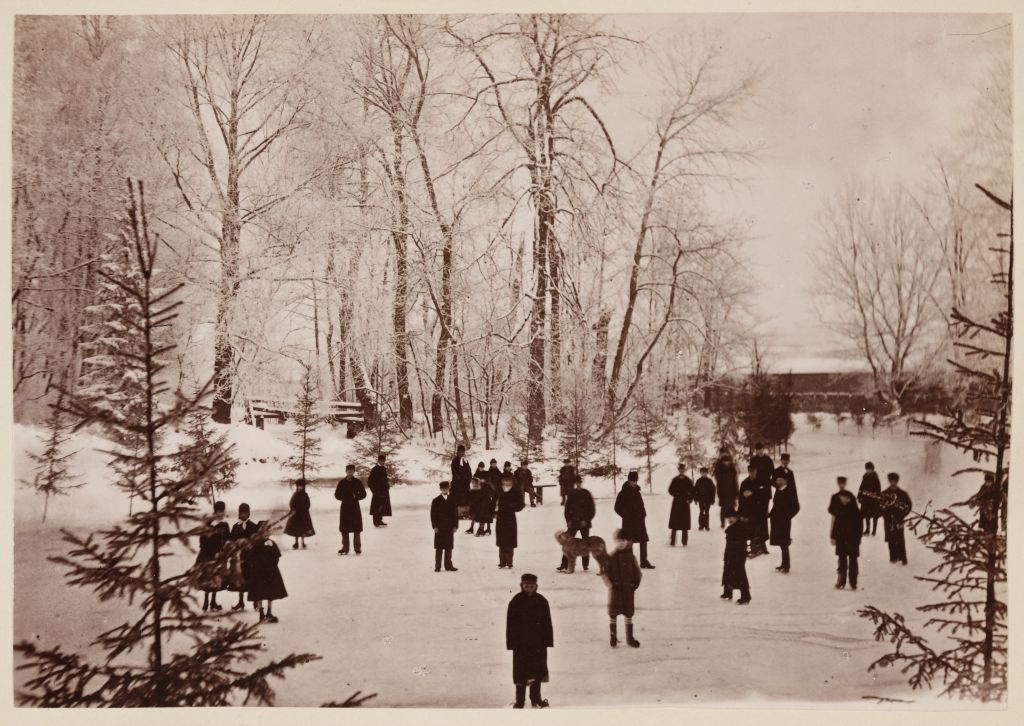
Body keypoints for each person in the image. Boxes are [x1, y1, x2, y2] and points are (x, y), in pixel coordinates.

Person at [506, 573, 553, 708]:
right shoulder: (516, 601)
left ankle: (536, 698)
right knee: (521, 672)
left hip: (538, 644)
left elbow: (547, 622)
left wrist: (548, 640)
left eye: (531, 586)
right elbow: (510, 624)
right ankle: (520, 700)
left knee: (536, 671)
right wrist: (511, 643)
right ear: (522, 586)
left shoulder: (542, 601)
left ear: (536, 586)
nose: (529, 588)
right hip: (521, 644)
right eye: (526, 586)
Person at [604, 530, 642, 648]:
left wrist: (635, 584)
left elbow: (637, 572)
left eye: (623, 541)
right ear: (615, 541)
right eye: (618, 541)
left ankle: (629, 638)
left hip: (627, 591)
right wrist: (611, 584)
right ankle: (613, 636)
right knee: (613, 614)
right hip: (615, 591)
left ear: (627, 542)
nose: (621, 543)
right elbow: (605, 572)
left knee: (628, 614)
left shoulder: (631, 557)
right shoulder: (611, 557)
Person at [246, 521, 287, 623]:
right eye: (264, 530)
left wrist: (272, 565)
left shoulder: (272, 543)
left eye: (268, 530)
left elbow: (276, 556)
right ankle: (261, 612)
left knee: (271, 593)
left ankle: (269, 612)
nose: (267, 532)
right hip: (259, 572)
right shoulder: (255, 544)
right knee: (259, 593)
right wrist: (257, 566)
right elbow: (251, 557)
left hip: (271, 571)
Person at [194, 500, 229, 612]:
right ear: (215, 512)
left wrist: (224, 549)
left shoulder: (225, 524)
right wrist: (213, 552)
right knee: (208, 578)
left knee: (217, 579)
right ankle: (205, 602)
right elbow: (203, 541)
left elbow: (227, 539)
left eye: (222, 511)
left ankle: (213, 602)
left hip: (220, 555)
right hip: (208, 555)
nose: (220, 513)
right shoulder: (209, 524)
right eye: (218, 511)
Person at [615, 471, 654, 569]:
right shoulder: (622, 493)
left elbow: (641, 506)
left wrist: (643, 514)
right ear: (628, 481)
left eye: (636, 481)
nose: (634, 483)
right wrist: (626, 515)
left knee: (643, 540)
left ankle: (644, 561)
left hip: (639, 521)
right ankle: (630, 562)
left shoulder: (637, 492)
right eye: (632, 481)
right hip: (629, 522)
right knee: (629, 542)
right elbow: (617, 507)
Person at [828, 477, 862, 590]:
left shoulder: (855, 512)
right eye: (841, 498)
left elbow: (859, 527)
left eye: (843, 498)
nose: (841, 499)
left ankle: (853, 582)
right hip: (841, 539)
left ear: (848, 498)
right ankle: (841, 581)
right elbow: (836, 524)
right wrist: (833, 537)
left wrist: (858, 539)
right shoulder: (839, 510)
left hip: (852, 540)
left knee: (853, 561)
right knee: (842, 560)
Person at [559, 474, 596, 572]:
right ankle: (564, 565)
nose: (578, 484)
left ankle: (585, 565)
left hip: (584, 523)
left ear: (581, 483)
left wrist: (586, 520)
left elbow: (592, 510)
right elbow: (567, 509)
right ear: (575, 483)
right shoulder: (571, 493)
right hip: (573, 522)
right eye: (576, 483)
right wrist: (568, 521)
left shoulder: (586, 493)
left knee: (585, 543)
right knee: (567, 544)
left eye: (579, 482)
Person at [228, 502, 259, 611]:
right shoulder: (235, 527)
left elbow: (256, 541)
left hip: (250, 557)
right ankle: (241, 602)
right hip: (238, 557)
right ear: (239, 514)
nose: (243, 515)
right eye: (242, 513)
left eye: (245, 513)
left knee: (251, 578)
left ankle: (255, 601)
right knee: (239, 579)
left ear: (249, 514)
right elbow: (231, 540)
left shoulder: (253, 526)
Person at [769, 475, 799, 573]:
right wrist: (770, 514)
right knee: (781, 544)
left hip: (784, 522)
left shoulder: (790, 491)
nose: (779, 481)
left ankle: (787, 566)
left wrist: (787, 516)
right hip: (777, 520)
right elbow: (775, 505)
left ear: (786, 481)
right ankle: (783, 564)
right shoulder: (778, 490)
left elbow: (796, 507)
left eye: (781, 480)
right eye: (778, 480)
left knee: (784, 543)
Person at [334, 464, 366, 555]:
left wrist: (356, 496)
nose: (350, 472)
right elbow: (336, 494)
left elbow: (364, 494)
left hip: (355, 507)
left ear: (354, 471)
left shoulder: (357, 482)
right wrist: (343, 496)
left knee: (356, 529)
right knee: (344, 529)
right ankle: (345, 548)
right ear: (346, 471)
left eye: (352, 470)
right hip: (345, 508)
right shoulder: (342, 482)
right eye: (348, 470)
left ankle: (357, 548)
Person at [880, 472, 912, 565]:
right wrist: (884, 514)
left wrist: (903, 515)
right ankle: (893, 557)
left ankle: (903, 558)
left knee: (900, 538)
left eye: (894, 481)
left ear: (897, 481)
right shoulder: (884, 493)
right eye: (891, 481)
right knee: (891, 538)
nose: (892, 483)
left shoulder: (902, 493)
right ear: (889, 481)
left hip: (899, 519)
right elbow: (879, 506)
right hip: (888, 520)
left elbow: (908, 506)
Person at [721, 509, 752, 604]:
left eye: (731, 518)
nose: (729, 520)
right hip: (731, 553)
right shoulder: (733, 527)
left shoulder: (740, 526)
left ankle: (746, 596)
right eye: (728, 518)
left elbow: (743, 539)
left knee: (740, 574)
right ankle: (728, 592)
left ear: (736, 517)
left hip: (738, 554)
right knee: (728, 570)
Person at [495, 474, 526, 568]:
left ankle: (509, 562)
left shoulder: (514, 491)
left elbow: (521, 504)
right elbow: (493, 503)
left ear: (512, 482)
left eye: (509, 481)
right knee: (501, 541)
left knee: (509, 541)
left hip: (510, 519)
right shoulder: (499, 491)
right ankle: (502, 562)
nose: (507, 483)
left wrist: (513, 506)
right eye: (505, 481)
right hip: (500, 518)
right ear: (502, 482)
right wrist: (493, 511)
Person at [738, 464, 767, 556]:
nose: (752, 473)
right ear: (748, 471)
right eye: (750, 471)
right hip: (748, 509)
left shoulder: (761, 482)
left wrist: (753, 494)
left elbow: (764, 495)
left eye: (754, 471)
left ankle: (762, 547)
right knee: (749, 527)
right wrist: (744, 496)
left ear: (756, 471)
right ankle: (750, 547)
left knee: (761, 528)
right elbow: (740, 498)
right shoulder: (744, 483)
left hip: (759, 509)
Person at [430, 481, 459, 572]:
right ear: (440, 489)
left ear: (448, 489)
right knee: (439, 548)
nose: (445, 490)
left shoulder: (452, 499)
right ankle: (437, 566)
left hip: (449, 527)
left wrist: (455, 526)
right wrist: (435, 526)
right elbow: (433, 515)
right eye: (443, 489)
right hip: (439, 528)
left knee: (448, 547)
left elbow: (455, 514)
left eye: (446, 488)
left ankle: (448, 565)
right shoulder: (436, 501)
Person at [668, 464, 695, 546]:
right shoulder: (675, 480)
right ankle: (672, 542)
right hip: (676, 503)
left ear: (684, 470)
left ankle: (684, 542)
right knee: (674, 524)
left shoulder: (688, 480)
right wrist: (676, 494)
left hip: (685, 504)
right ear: (678, 470)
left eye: (683, 469)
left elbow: (693, 492)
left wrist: (689, 499)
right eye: (680, 469)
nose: (681, 471)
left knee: (685, 524)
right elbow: (670, 490)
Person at [284, 479, 315, 549]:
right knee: (296, 529)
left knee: (303, 528)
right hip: (296, 514)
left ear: (303, 487)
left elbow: (308, 504)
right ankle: (296, 542)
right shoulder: (295, 495)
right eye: (298, 486)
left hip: (304, 514)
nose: (299, 487)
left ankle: (303, 542)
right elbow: (291, 503)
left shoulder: (305, 495)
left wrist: (305, 509)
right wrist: (293, 509)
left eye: (301, 486)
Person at [713, 452, 739, 528]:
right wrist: (719, 493)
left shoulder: (732, 468)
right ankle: (722, 523)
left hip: (732, 491)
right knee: (723, 508)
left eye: (728, 461)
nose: (727, 463)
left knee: (732, 508)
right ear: (722, 461)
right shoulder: (719, 468)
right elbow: (718, 481)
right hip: (723, 492)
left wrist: (737, 492)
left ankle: (733, 522)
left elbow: (735, 481)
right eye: (725, 461)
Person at [857, 462, 882, 536]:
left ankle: (874, 531)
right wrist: (859, 496)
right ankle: (867, 530)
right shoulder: (865, 477)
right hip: (866, 499)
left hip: (874, 500)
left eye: (869, 469)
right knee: (866, 514)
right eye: (867, 469)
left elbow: (878, 489)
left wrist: (876, 495)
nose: (868, 470)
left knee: (875, 515)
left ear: (872, 469)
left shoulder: (875, 478)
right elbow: (861, 487)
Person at [367, 454, 392, 528]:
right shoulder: (374, 469)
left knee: (382, 506)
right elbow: (370, 481)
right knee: (376, 507)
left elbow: (385, 480)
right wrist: (374, 491)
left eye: (383, 460)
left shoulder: (383, 468)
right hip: (377, 492)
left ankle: (380, 520)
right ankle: (376, 522)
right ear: (378, 460)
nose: (382, 462)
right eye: (381, 460)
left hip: (384, 491)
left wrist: (387, 486)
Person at [450, 445, 473, 520]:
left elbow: (469, 471)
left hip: (465, 484)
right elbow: (454, 472)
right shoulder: (455, 461)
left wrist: (469, 478)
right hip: (457, 484)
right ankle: (457, 513)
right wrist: (461, 478)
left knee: (466, 498)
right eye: (460, 452)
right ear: (457, 452)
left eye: (463, 452)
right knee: (457, 498)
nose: (462, 453)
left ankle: (466, 513)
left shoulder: (465, 460)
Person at [475, 466, 496, 537]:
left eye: (482, 479)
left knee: (484, 515)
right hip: (481, 501)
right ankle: (487, 529)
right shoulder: (479, 484)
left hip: (487, 501)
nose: (481, 480)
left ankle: (482, 529)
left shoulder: (488, 484)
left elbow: (493, 492)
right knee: (485, 515)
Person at [694, 467, 716, 531]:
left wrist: (712, 499)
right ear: (701, 473)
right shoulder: (698, 481)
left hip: (708, 499)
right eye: (702, 472)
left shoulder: (710, 481)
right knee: (701, 511)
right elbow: (695, 490)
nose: (704, 474)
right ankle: (701, 525)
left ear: (707, 473)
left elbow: (713, 491)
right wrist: (695, 499)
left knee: (706, 512)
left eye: (705, 472)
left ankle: (706, 525)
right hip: (700, 499)